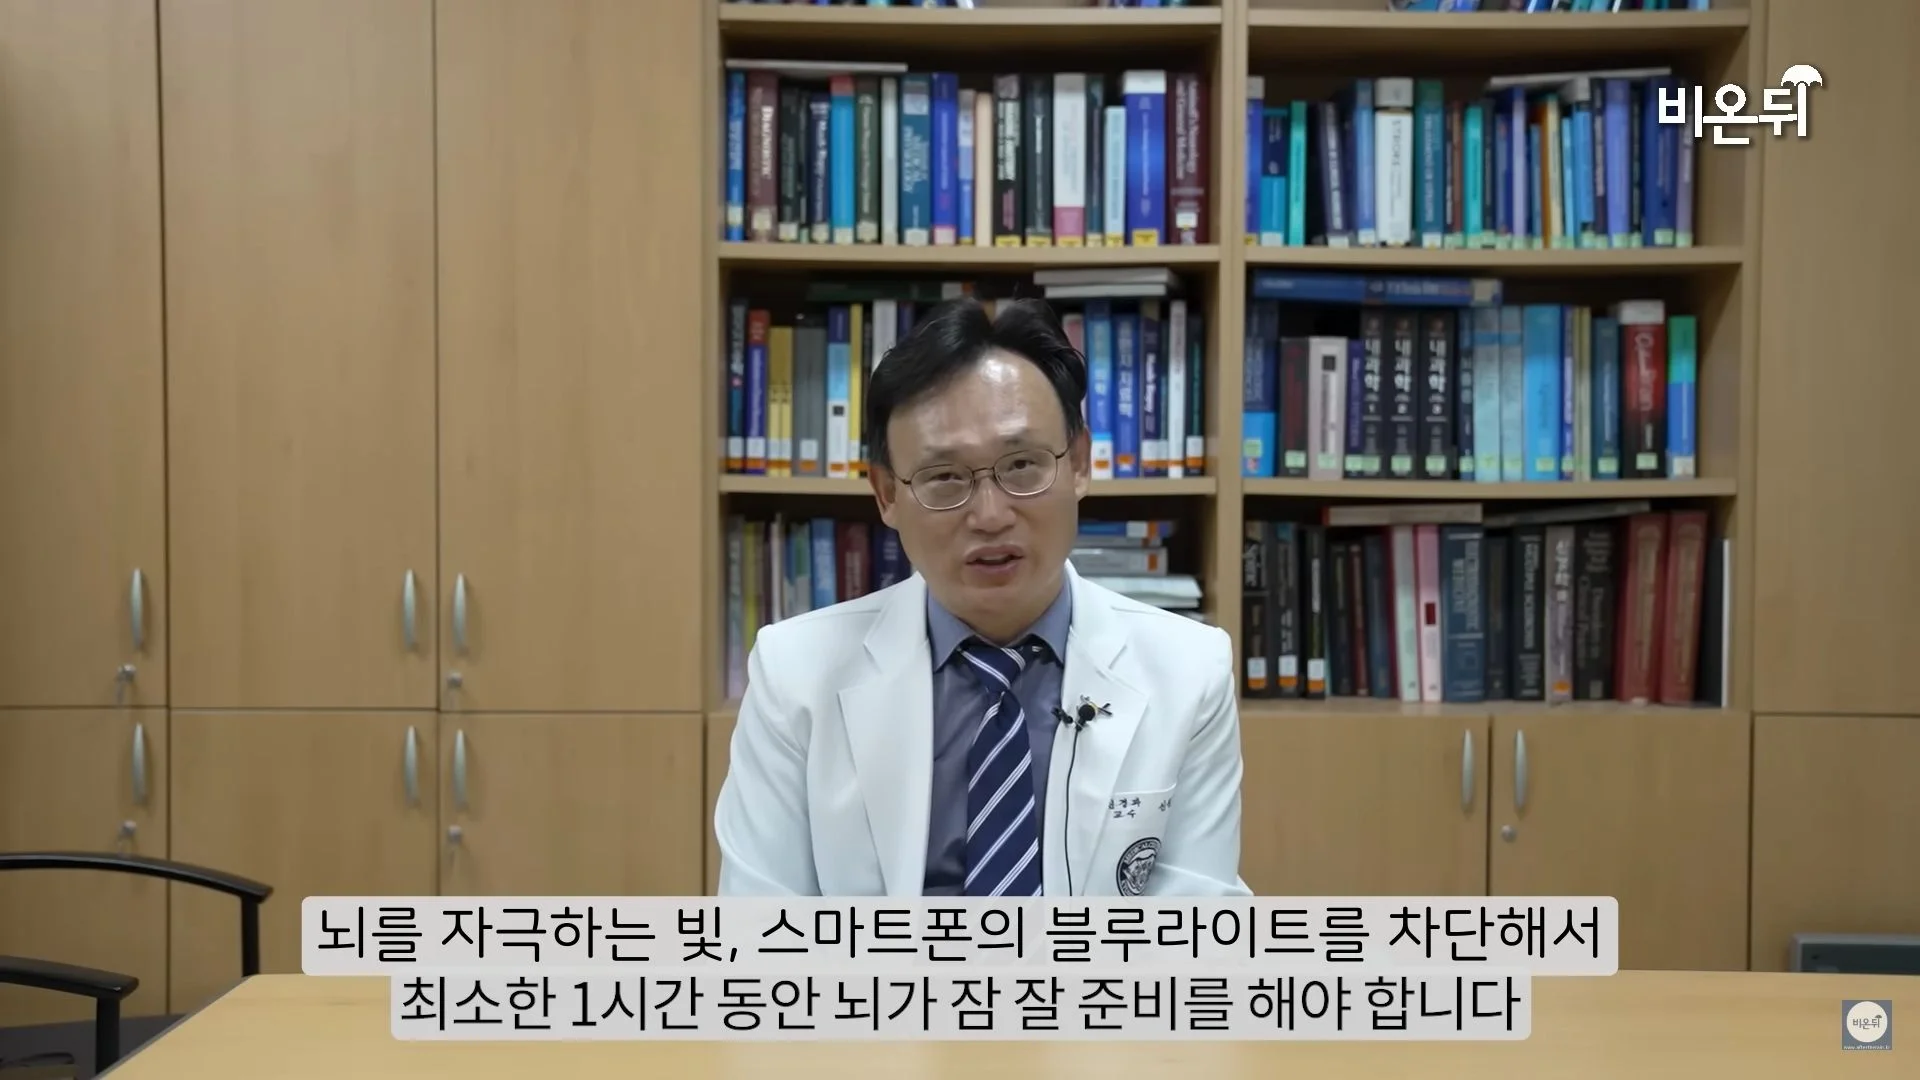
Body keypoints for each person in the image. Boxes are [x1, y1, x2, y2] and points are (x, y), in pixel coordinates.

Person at [713, 296, 1249, 898]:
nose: (991, 516)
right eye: (944, 478)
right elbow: (760, 927)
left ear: (1079, 463)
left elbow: (1195, 928)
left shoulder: (1189, 671)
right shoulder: (795, 675)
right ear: (887, 495)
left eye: (1022, 466)